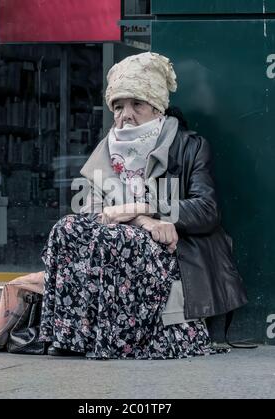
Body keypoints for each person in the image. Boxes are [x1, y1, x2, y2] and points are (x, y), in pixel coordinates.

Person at [39, 52, 248, 359]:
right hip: (128, 235)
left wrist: (147, 211)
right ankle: (74, 337)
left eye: (137, 104)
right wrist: (142, 220)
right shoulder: (106, 149)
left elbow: (206, 210)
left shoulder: (189, 146)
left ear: (156, 107)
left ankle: (121, 340)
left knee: (117, 238)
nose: (126, 115)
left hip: (175, 248)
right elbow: (92, 210)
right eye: (119, 106)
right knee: (66, 227)